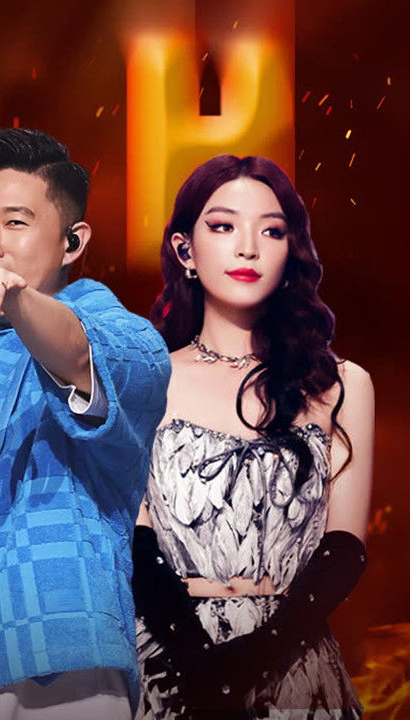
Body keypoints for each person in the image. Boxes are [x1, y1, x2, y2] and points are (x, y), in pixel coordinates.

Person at [0, 127, 171, 719]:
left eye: (16, 222)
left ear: (73, 242)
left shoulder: (116, 330)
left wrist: (16, 299)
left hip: (56, 662)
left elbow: (80, 354)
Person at [132, 154, 374, 718]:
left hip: (296, 671)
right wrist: (201, 666)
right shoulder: (145, 381)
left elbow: (345, 549)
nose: (248, 248)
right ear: (184, 250)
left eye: (271, 231)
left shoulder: (341, 385)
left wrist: (255, 659)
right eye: (223, 226)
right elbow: (137, 546)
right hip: (174, 669)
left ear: (291, 251)